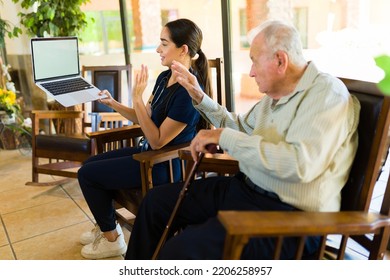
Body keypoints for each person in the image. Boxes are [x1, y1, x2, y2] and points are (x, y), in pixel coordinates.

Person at [125, 19, 361, 260]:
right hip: (247, 190)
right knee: (155, 203)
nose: (251, 72)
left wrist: (225, 137)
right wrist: (198, 94)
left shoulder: (326, 94)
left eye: (254, 62)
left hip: (290, 218)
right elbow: (238, 126)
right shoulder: (276, 95)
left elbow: (300, 165)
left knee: (180, 251)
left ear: (280, 60)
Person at [77, 18, 212, 259]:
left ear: (183, 50)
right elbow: (144, 118)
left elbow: (159, 140)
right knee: (88, 165)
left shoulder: (188, 92)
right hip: (147, 151)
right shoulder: (163, 78)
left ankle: (112, 240)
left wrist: (138, 98)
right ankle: (108, 225)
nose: (158, 50)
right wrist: (115, 103)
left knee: (87, 175)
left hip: (163, 165)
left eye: (163, 44)